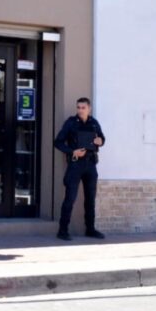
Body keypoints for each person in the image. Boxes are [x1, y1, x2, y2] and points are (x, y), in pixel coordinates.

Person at [54, 97, 106, 241]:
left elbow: (102, 138)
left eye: (83, 108)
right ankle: (62, 231)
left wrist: (100, 141)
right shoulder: (71, 123)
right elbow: (58, 142)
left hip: (91, 164)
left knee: (90, 199)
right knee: (70, 198)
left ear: (89, 108)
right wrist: (72, 152)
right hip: (75, 164)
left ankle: (90, 229)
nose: (80, 110)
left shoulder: (94, 123)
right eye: (78, 107)